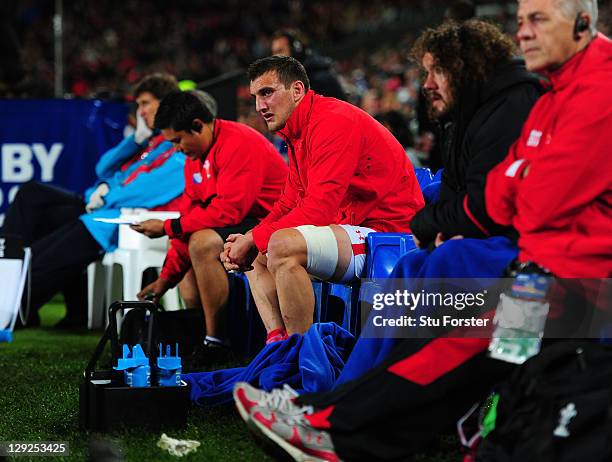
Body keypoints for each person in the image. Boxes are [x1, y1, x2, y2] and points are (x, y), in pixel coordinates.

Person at [231, 20, 546, 462]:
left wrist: (436, 224)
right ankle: (334, 407)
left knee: (464, 307)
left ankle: (336, 411)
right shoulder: (484, 115)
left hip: (542, 273)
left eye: (436, 71)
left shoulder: (523, 103)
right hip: (516, 260)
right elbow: (474, 199)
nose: (427, 83)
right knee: (417, 282)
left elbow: (494, 205)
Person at [222, 56, 424, 342]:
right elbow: (289, 202)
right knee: (258, 253)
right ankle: (278, 344)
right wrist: (250, 238)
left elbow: (317, 210)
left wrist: (255, 238)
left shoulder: (332, 121)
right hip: (352, 228)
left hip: (388, 234)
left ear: (297, 91)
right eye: (256, 97)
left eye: (267, 92)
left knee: (279, 244)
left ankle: (303, 356)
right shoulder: (298, 132)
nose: (259, 106)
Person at [1, 73, 185, 328]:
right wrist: (135, 140)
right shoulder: (151, 144)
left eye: (145, 103)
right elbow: (106, 169)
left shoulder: (177, 148)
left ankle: (12, 308)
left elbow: (144, 190)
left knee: (44, 254)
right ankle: (15, 298)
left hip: (122, 221)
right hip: (105, 216)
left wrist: (106, 194)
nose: (139, 111)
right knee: (41, 239)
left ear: (165, 104)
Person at [132, 90, 288, 364]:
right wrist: (165, 281)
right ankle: (200, 335)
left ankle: (217, 343)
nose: (176, 148)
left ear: (197, 126)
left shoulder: (239, 143)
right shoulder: (195, 156)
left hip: (277, 222)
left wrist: (170, 226)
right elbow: (189, 218)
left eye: (178, 140)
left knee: (202, 242)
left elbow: (229, 211)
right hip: (245, 221)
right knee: (188, 238)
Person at [486, 0, 611, 279]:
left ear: (582, 25)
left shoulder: (602, 91)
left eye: (538, 19)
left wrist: (520, 172)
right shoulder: (550, 96)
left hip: (584, 288)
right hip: (538, 268)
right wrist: (527, 172)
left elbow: (535, 209)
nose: (523, 34)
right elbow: (494, 203)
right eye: (520, 22)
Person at [271, 29, 346, 100]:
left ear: (296, 51)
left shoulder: (321, 77)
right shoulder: (285, 78)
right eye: (274, 52)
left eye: (280, 51)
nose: (275, 57)